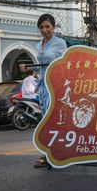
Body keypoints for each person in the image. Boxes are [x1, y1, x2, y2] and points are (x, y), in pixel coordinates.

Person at [21, 14, 67, 167]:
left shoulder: (60, 43)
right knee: (45, 119)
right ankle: (49, 153)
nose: (44, 30)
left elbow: (64, 64)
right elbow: (40, 66)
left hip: (54, 85)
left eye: (47, 26)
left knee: (52, 119)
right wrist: (28, 67)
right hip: (42, 86)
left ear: (53, 27)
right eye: (41, 27)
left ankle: (52, 153)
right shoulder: (38, 45)